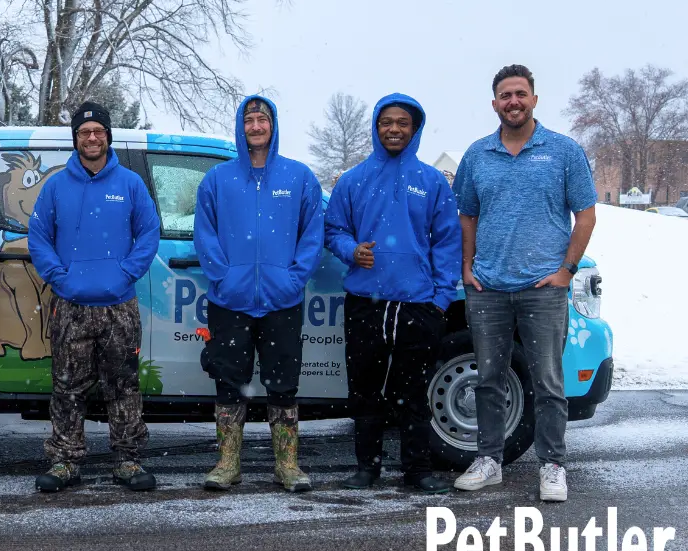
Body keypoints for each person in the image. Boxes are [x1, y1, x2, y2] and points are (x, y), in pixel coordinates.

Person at [452, 64, 597, 502]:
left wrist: (566, 271)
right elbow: (466, 216)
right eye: (505, 95)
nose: (512, 101)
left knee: (548, 383)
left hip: (543, 289)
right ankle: (489, 460)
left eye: (520, 93)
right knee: (488, 379)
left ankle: (552, 466)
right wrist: (467, 267)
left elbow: (586, 215)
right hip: (489, 289)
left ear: (534, 99)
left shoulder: (563, 151)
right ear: (494, 103)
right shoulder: (477, 155)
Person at [324, 93, 461, 494]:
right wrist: (351, 250)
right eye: (387, 122)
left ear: (414, 129)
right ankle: (367, 468)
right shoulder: (353, 180)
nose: (394, 129)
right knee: (364, 390)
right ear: (376, 127)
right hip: (365, 303)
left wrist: (440, 300)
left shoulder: (432, 181)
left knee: (412, 393)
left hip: (417, 305)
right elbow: (333, 230)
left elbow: (448, 242)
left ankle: (417, 470)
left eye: (403, 123)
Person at [194, 95, 325, 492]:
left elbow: (312, 235)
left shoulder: (298, 177)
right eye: (249, 120)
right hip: (229, 301)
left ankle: (287, 465)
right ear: (241, 126)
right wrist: (223, 277)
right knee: (228, 382)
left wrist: (293, 279)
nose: (255, 126)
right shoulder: (218, 179)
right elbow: (205, 234)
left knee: (283, 383)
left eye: (261, 120)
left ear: (273, 125)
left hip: (282, 300)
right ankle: (227, 463)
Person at [28, 102, 161, 493]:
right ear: (76, 139)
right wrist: (60, 277)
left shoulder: (130, 184)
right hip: (71, 306)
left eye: (98, 131)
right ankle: (65, 461)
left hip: (119, 305)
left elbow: (149, 232)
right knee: (67, 387)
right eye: (84, 132)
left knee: (123, 386)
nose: (91, 138)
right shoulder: (56, 186)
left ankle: (128, 460)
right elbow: (39, 236)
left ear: (108, 136)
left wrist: (125, 273)